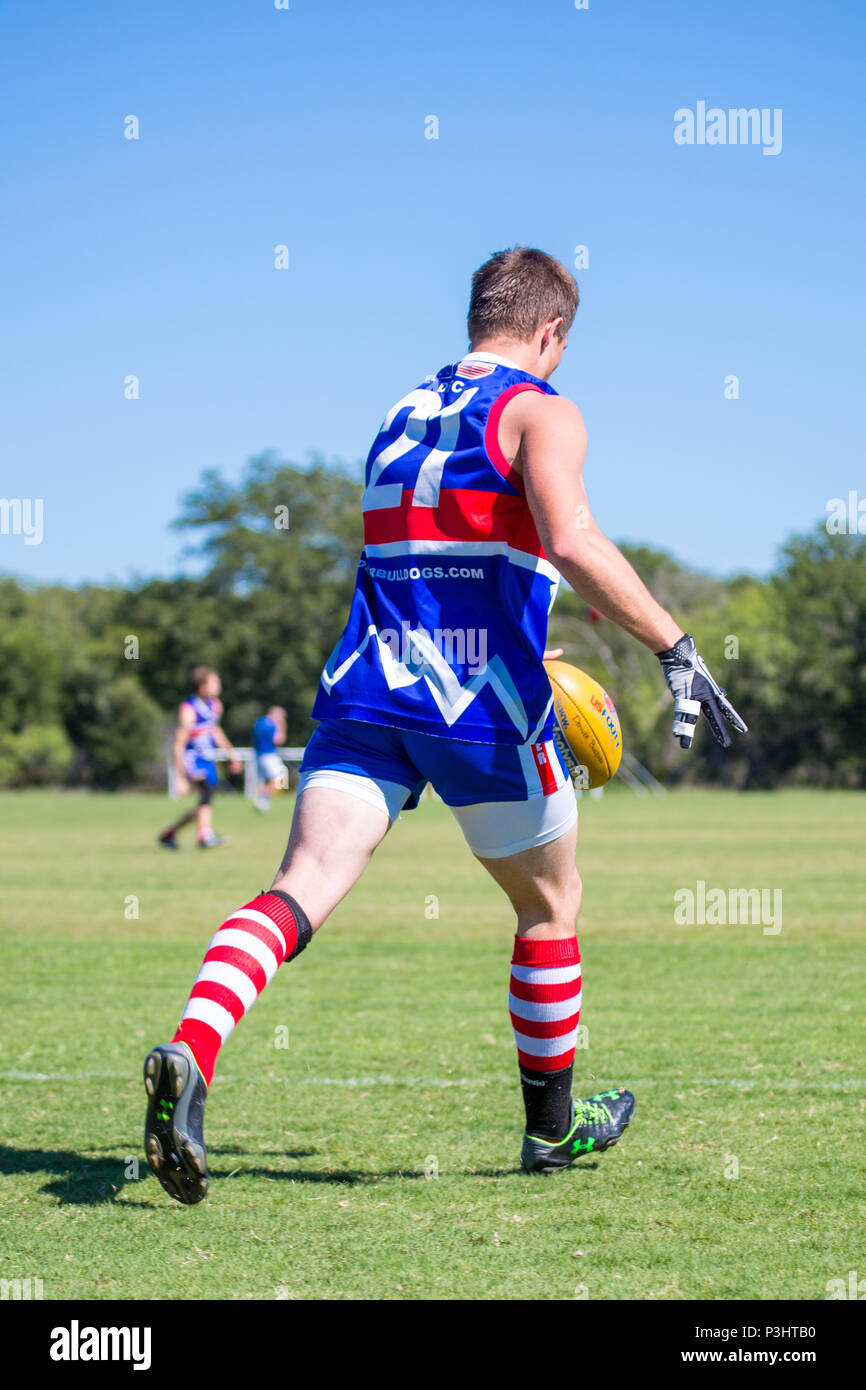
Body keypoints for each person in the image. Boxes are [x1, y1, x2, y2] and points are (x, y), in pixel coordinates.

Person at [143, 247, 746, 1203]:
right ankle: (551, 1134)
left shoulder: (400, 411)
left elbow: (443, 550)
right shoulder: (543, 409)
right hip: (482, 705)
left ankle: (192, 1048)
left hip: (367, 692)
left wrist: (540, 611)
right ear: (551, 332)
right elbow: (571, 536)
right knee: (549, 905)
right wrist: (675, 647)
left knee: (299, 887)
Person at [157, 666, 242, 851]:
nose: (219, 685)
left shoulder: (215, 705)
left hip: (207, 759)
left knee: (204, 803)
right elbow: (179, 743)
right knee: (206, 794)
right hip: (192, 759)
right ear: (202, 686)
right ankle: (204, 835)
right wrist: (180, 778)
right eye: (215, 682)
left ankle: (169, 834)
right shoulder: (188, 709)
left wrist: (231, 754)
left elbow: (215, 731)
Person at [251, 706, 288, 812]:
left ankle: (262, 803)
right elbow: (279, 740)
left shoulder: (259, 722)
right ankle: (263, 795)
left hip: (258, 755)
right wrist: (282, 725)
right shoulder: (272, 725)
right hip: (269, 755)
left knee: (264, 780)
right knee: (281, 778)